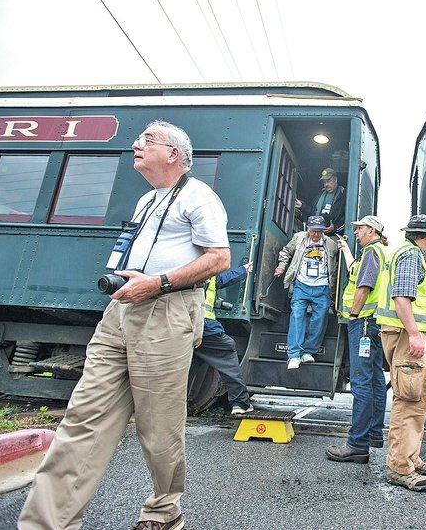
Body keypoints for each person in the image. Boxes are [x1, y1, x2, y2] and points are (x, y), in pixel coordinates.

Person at [19, 120, 230, 530]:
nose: (135, 144)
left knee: (158, 430)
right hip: (120, 312)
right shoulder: (147, 199)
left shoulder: (200, 196)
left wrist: (160, 283)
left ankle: (164, 511)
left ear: (173, 154)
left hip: (166, 311)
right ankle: (45, 524)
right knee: (83, 417)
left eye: (147, 140)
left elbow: (219, 258)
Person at [376, 214, 426, 492]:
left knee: (417, 397)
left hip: (402, 333)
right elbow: (401, 296)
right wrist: (414, 333)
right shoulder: (412, 255)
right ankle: (399, 467)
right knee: (409, 399)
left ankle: (411, 456)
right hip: (404, 335)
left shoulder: (402, 252)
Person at [326, 215, 389, 463]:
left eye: (359, 228)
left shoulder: (372, 253)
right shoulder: (376, 253)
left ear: (371, 230)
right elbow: (356, 271)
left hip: (363, 322)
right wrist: (346, 250)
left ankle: (357, 444)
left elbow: (364, 285)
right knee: (374, 379)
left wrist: (353, 315)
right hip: (373, 322)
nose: (356, 232)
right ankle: (373, 433)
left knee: (361, 382)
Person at [274, 215, 339, 369]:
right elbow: (285, 252)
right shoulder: (299, 238)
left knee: (320, 319)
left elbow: (335, 265)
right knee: (297, 316)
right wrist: (282, 266)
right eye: (312, 231)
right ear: (307, 228)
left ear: (324, 230)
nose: (315, 234)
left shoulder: (330, 244)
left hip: (322, 286)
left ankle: (308, 351)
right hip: (301, 284)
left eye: (319, 231)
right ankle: (294, 355)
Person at [192, 262, 254, 415]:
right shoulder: (201, 271)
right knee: (226, 352)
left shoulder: (207, 273)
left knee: (187, 367)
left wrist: (243, 270)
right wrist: (198, 329)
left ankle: (170, 407)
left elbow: (222, 279)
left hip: (189, 326)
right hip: (204, 326)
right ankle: (240, 402)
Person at [296, 167, 346, 235]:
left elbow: (347, 219)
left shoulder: (343, 194)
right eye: (324, 182)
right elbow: (312, 211)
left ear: (335, 179)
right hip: (314, 233)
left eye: (328, 181)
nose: (326, 185)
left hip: (332, 235)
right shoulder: (320, 194)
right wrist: (302, 206)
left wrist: (334, 228)